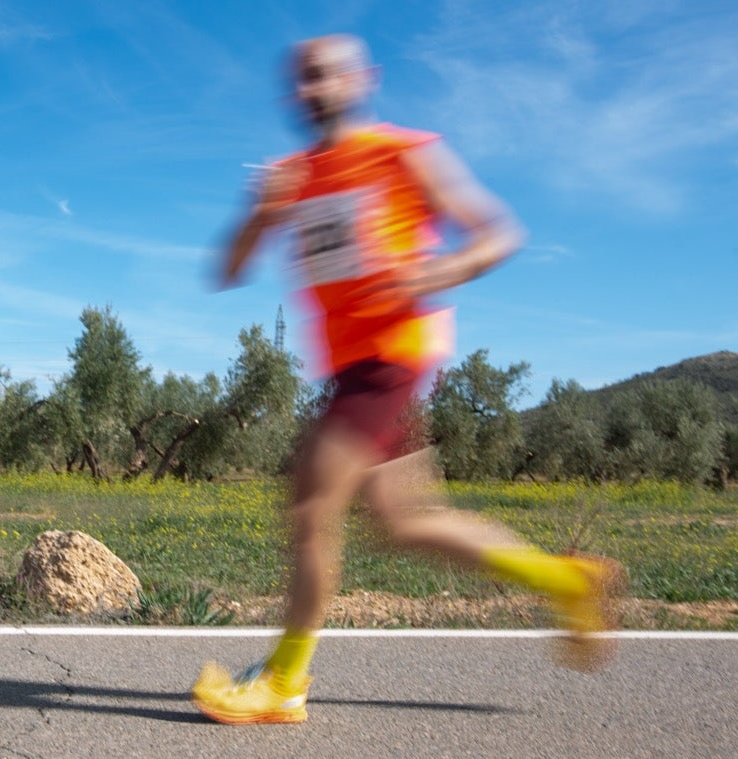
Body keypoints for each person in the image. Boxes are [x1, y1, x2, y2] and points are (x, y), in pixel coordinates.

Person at [192, 35, 621, 724]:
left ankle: (285, 680)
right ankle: (567, 579)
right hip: (351, 367)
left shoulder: (404, 152)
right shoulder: (293, 174)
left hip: (392, 354)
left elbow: (498, 232)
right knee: (406, 524)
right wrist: (260, 209)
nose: (310, 89)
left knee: (309, 506)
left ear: (362, 79)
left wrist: (444, 270)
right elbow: (230, 267)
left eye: (324, 75)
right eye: (300, 80)